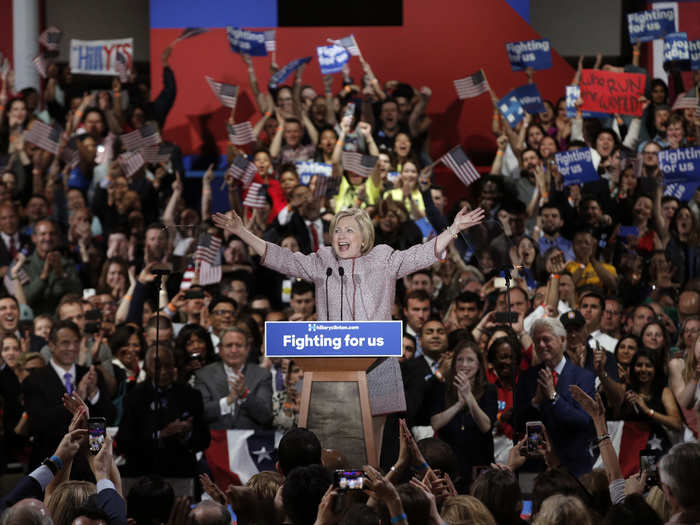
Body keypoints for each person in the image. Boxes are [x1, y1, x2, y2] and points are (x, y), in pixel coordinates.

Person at [213, 205, 485, 321]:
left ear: (365, 235)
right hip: (333, 361)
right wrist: (241, 232)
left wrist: (453, 229)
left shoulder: (384, 258)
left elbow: (420, 254)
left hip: (376, 360)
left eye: (349, 230)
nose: (341, 236)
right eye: (337, 230)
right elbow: (283, 259)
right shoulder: (323, 260)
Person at [21, 321, 114, 471]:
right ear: (51, 345)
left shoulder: (91, 375)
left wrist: (93, 395)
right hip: (50, 466)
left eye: (76, 342)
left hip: (89, 468)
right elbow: (38, 424)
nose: (72, 348)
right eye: (65, 343)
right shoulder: (34, 380)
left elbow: (107, 419)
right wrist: (80, 397)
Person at [513, 317, 596, 476]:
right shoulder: (527, 377)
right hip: (534, 469)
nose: (541, 345)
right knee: (527, 502)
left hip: (572, 468)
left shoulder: (583, 377)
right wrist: (535, 403)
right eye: (537, 341)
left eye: (546, 339)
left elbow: (584, 421)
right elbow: (517, 423)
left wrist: (553, 396)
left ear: (562, 340)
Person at [117, 346, 210, 477]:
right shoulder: (135, 397)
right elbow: (124, 442)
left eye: (168, 366)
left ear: (174, 366)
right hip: (143, 471)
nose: (164, 372)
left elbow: (204, 440)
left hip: (181, 470)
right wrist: (161, 434)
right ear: (147, 368)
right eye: (157, 367)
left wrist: (188, 434)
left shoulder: (191, 395)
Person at [427, 339, 497, 490]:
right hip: (449, 461)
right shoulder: (442, 389)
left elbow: (485, 426)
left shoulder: (489, 390)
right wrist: (459, 405)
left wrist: (468, 396)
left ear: (479, 365)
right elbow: (435, 423)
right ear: (454, 363)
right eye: (460, 359)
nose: (464, 365)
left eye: (470, 360)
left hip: (479, 460)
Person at [194, 327, 272, 430]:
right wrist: (228, 400)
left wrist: (244, 395)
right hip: (216, 441)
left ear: (248, 348)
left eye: (239, 345)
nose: (234, 350)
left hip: (251, 442)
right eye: (229, 345)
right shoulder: (203, 375)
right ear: (220, 349)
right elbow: (200, 414)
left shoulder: (262, 374)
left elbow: (266, 417)